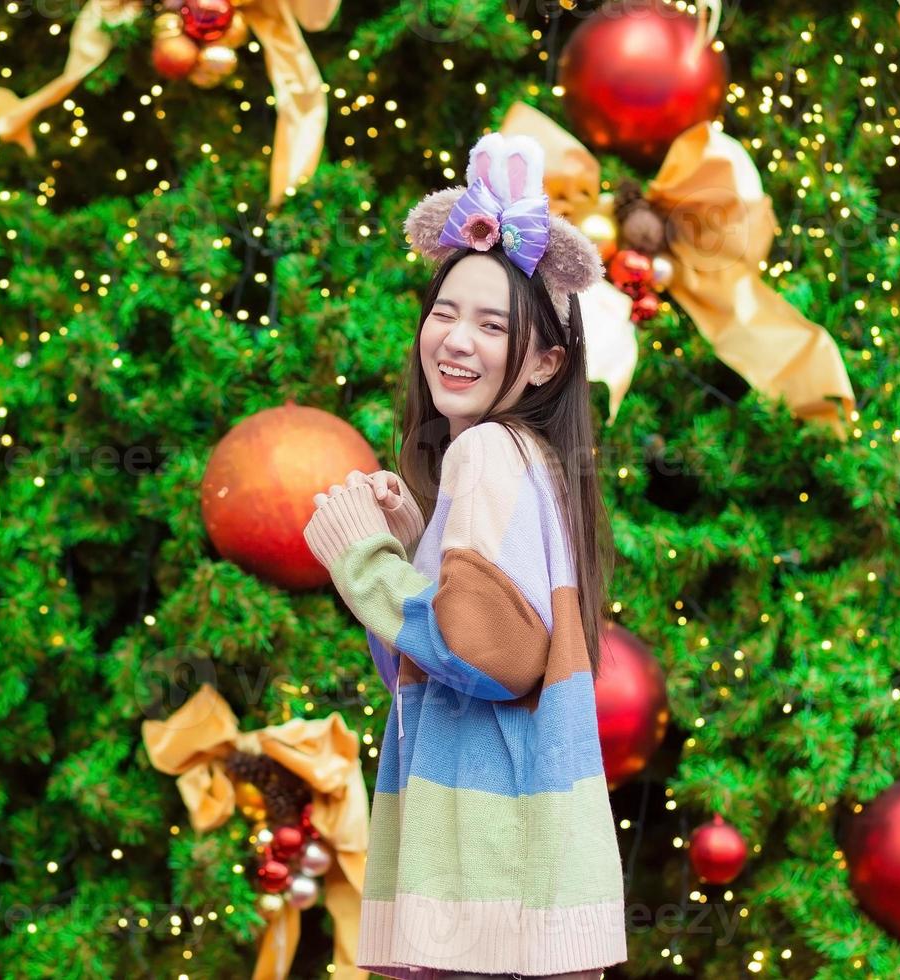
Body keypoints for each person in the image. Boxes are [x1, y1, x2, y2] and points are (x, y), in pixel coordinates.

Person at [302, 131, 626, 980]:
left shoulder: (486, 454)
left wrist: (366, 564)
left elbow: (490, 656)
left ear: (546, 362)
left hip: (482, 891)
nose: (455, 339)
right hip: (518, 889)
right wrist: (417, 546)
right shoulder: (525, 464)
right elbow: (442, 672)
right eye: (444, 313)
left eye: (492, 324)